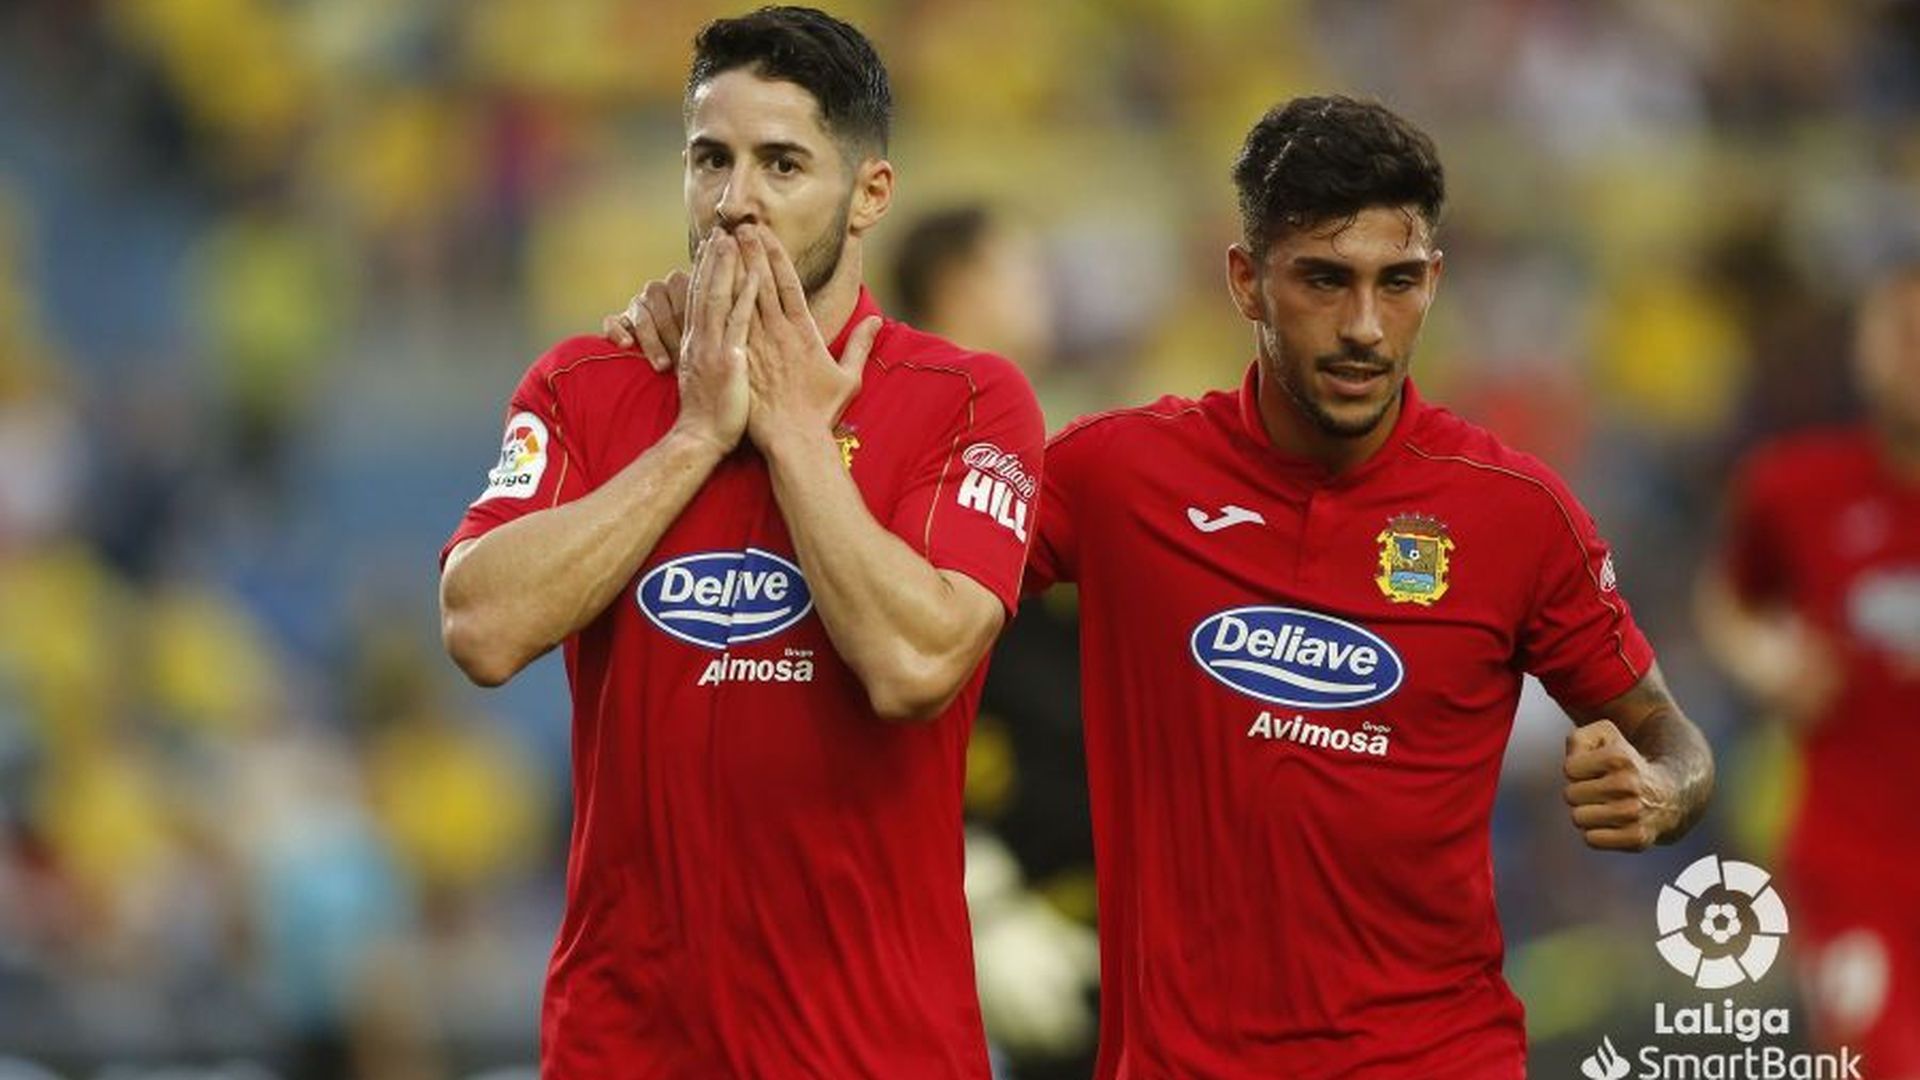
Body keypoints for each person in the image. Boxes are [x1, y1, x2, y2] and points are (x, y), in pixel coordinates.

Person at [604, 95, 1716, 1078]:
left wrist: (1663, 790)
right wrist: (723, 364)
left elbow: (1667, 731)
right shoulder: (1114, 477)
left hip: (1437, 1055)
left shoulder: (1515, 510)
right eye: (1324, 280)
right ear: (1246, 280)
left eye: (1399, 282)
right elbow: (901, 606)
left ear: (1435, 279)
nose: (1367, 326)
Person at [440, 8, 1044, 1077]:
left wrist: (796, 435)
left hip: (876, 1053)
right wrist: (694, 437)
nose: (736, 201)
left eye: (782, 164)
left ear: (869, 195)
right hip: (625, 1051)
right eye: (710, 159)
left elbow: (914, 665)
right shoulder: (586, 385)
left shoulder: (968, 401)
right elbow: (480, 626)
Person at [1697, 266, 1920, 1077]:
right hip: (1855, 860)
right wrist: (1764, 657)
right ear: (1863, 350)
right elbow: (1729, 596)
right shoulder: (1795, 488)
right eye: (1899, 334)